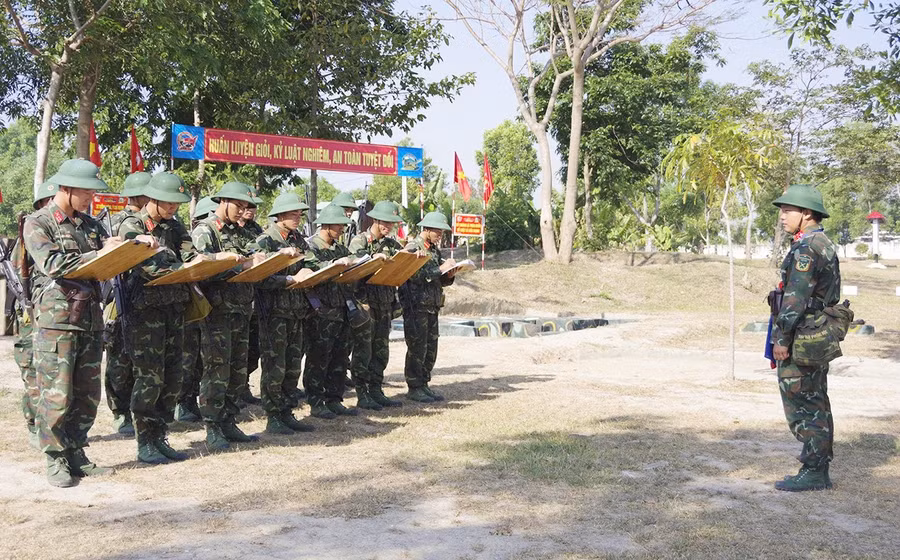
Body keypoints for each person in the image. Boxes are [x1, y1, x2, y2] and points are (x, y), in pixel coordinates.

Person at [24, 159, 153, 487]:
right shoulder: (38, 222)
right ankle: (55, 458)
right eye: (85, 192)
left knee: (85, 393)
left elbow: (106, 262)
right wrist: (97, 255)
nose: (90, 198)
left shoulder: (92, 225)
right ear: (65, 188)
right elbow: (53, 263)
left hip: (91, 319)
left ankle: (77, 450)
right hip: (58, 321)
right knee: (57, 393)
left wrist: (126, 250)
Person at [118, 172, 199, 464]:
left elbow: (191, 255)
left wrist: (201, 262)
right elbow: (147, 266)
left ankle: (161, 434)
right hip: (145, 312)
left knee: (173, 375)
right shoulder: (133, 225)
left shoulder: (176, 227)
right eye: (169, 203)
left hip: (174, 307)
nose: (173, 208)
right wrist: (181, 265)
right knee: (149, 377)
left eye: (177, 203)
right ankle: (145, 440)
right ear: (152, 197)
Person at [771, 184, 841, 492]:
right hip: (816, 333)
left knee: (802, 402)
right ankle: (817, 467)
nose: (783, 216)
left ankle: (814, 470)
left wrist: (782, 339)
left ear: (807, 213)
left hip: (802, 335)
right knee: (816, 399)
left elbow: (795, 299)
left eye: (789, 210)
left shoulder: (806, 249)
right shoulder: (821, 242)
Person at [192, 182, 266, 451]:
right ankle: (212, 426)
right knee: (216, 370)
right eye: (239, 206)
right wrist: (236, 264)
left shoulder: (240, 232)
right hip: (217, 312)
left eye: (246, 207)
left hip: (242, 308)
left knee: (238, 368)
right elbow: (201, 268)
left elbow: (250, 256)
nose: (242, 211)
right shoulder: (206, 231)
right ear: (223, 201)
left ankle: (229, 421)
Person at [249, 192, 316, 434]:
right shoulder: (264, 241)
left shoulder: (298, 238)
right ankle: (273, 414)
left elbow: (309, 261)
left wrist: (310, 272)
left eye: (299, 213)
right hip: (274, 312)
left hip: (296, 310)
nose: (298, 217)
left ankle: (287, 410)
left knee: (292, 365)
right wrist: (288, 279)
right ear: (279, 215)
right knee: (274, 366)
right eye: (292, 213)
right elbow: (259, 278)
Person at [104, 171, 152, 436]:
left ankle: (135, 410)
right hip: (121, 294)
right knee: (119, 358)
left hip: (144, 297)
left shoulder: (152, 220)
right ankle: (119, 411)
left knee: (139, 360)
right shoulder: (123, 221)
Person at [13, 180, 58, 449]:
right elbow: (23, 275)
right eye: (47, 202)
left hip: (50, 311)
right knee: (32, 369)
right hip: (31, 311)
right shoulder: (32, 232)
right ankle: (33, 422)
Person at [348, 201, 405, 410]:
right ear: (375, 219)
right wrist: (372, 258)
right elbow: (353, 262)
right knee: (364, 350)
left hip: (385, 304)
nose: (388, 227)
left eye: (392, 223)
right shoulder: (359, 240)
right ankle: (362, 393)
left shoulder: (391, 244)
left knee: (381, 350)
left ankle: (376, 389)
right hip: (366, 305)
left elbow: (402, 258)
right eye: (386, 222)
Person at [303, 203, 357, 419]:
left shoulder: (340, 247)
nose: (343, 229)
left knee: (340, 357)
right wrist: (335, 264)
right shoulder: (311, 247)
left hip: (341, 308)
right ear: (326, 226)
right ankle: (316, 401)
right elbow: (313, 268)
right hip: (321, 311)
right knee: (319, 357)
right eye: (339, 225)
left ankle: (334, 398)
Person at [399, 211, 456, 403]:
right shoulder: (413, 247)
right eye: (438, 231)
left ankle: (424, 383)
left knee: (431, 347)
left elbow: (438, 279)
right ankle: (414, 386)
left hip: (432, 305)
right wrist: (440, 269)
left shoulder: (433, 249)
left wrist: (449, 274)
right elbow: (413, 275)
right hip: (416, 306)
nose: (440, 235)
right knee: (417, 347)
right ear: (427, 229)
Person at [175, 196, 218, 422]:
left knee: (202, 360)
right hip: (191, 306)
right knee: (188, 358)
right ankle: (183, 402)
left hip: (207, 306)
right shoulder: (199, 235)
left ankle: (192, 400)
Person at [238, 189, 264, 406]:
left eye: (253, 206)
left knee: (251, 346)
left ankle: (244, 383)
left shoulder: (256, 229)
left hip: (253, 295)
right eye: (245, 206)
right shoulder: (228, 228)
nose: (250, 210)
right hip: (231, 297)